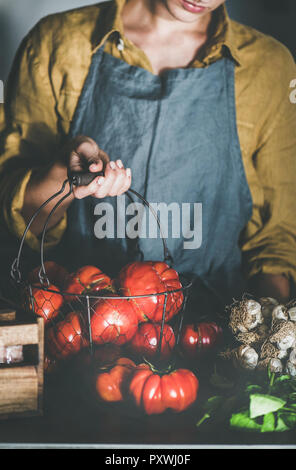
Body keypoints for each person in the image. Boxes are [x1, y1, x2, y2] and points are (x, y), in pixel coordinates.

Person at [0, 0, 295, 313]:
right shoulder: (57, 42)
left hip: (214, 337)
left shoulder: (270, 67)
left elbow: (274, 244)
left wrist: (271, 342)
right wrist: (64, 174)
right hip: (76, 331)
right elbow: (18, 219)